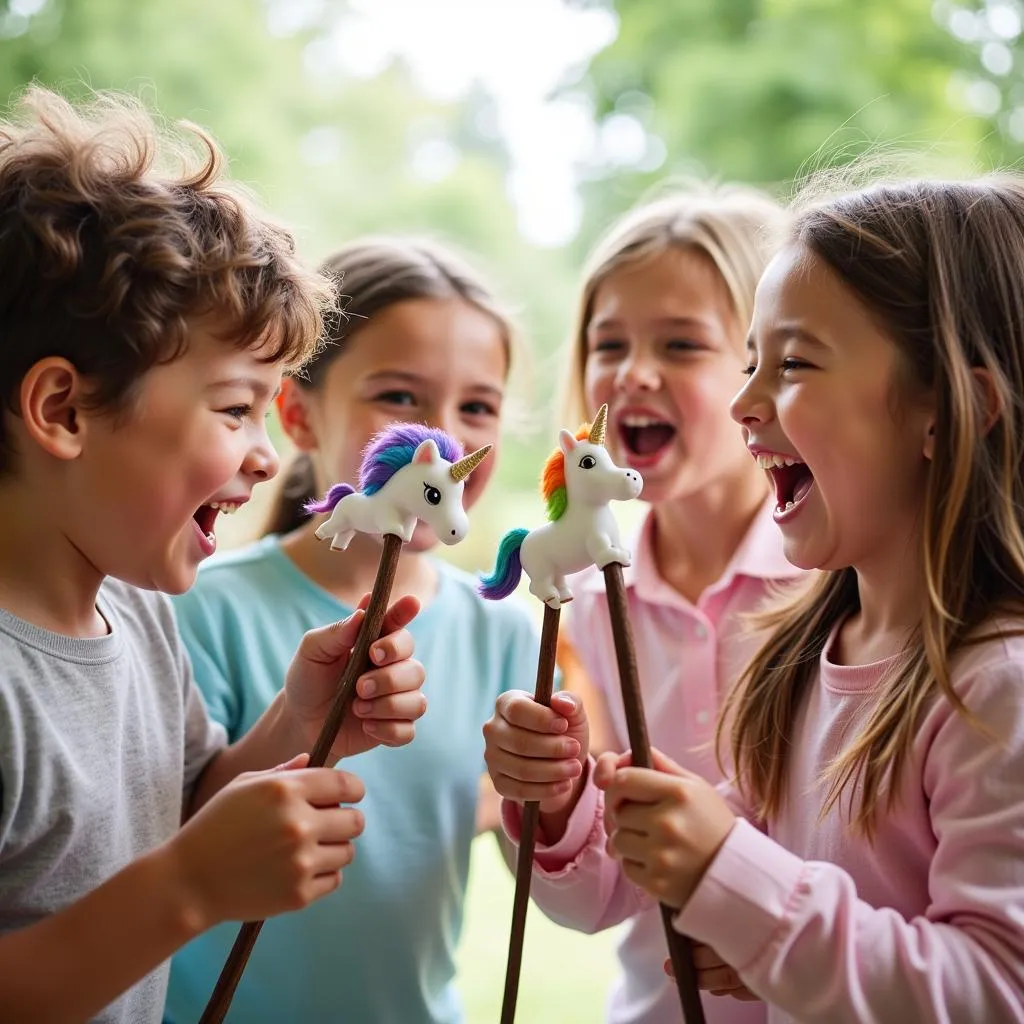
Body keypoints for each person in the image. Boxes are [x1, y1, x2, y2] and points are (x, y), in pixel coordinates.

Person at [0, 86, 426, 1024]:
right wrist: (188, 888)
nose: (268, 455)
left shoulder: (137, 609)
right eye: (235, 408)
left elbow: (181, 807)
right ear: (64, 410)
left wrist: (297, 723)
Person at [575, 178, 1024, 1021]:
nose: (745, 404)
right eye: (750, 362)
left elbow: (996, 991)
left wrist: (738, 886)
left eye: (793, 364)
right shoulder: (807, 654)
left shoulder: (1000, 687)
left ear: (947, 412)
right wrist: (581, 811)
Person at [164, 236, 542, 1024]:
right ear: (298, 413)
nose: (443, 438)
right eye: (400, 397)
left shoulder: (506, 630)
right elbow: (172, 841)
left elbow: (533, 853)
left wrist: (555, 795)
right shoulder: (202, 607)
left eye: (477, 406)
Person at [483, 184, 800, 1024]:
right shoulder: (578, 606)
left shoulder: (835, 581)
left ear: (767, 367)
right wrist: (553, 803)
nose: (632, 372)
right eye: (608, 342)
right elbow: (592, 900)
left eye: (682, 343)